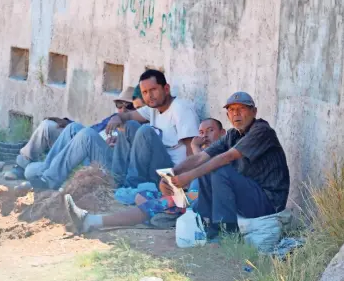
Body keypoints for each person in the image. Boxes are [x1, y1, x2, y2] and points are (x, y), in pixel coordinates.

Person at [25, 69, 199, 191]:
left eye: (153, 90)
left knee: (144, 132)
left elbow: (193, 152)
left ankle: (129, 184)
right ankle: (47, 176)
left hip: (167, 174)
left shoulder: (181, 109)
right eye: (145, 92)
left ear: (166, 88)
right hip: (133, 167)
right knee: (82, 130)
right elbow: (129, 117)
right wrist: (118, 117)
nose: (149, 96)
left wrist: (185, 186)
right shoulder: (152, 109)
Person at [64, 118, 226, 232]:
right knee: (143, 195)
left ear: (223, 133)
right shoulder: (204, 154)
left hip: (201, 202)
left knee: (153, 205)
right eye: (201, 132)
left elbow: (205, 177)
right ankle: (162, 215)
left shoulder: (224, 151)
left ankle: (90, 221)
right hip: (188, 197)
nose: (205, 136)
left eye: (210, 131)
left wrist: (196, 149)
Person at [167, 92, 290, 241]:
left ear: (254, 111)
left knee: (220, 170)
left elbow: (228, 157)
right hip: (249, 196)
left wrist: (189, 176)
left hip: (269, 201)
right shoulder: (233, 135)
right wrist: (171, 173)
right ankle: (210, 228)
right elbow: (201, 157)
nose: (236, 113)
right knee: (208, 169)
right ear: (227, 115)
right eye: (231, 110)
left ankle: (228, 234)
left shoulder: (262, 130)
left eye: (242, 108)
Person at [4, 86, 138, 180]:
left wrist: (111, 146)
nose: (122, 110)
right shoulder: (113, 118)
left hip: (99, 163)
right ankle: (23, 165)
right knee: (48, 126)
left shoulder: (137, 127)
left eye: (129, 106)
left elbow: (131, 160)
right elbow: (90, 130)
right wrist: (68, 123)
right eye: (119, 105)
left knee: (31, 172)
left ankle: (48, 174)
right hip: (81, 148)